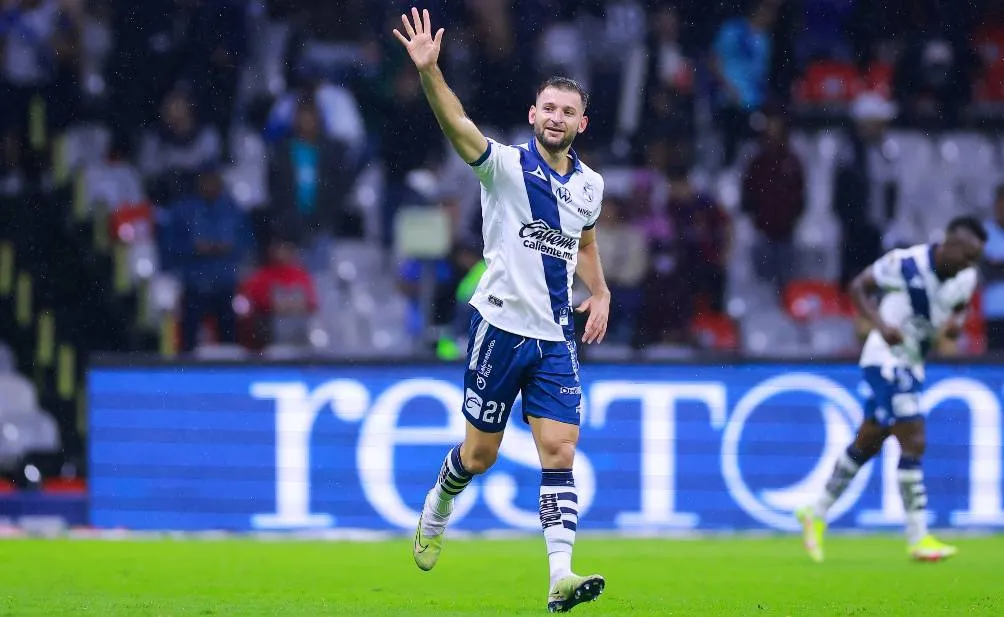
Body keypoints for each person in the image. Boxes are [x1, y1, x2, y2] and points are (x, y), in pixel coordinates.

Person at [393, 8, 611, 613]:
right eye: (549, 108)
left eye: (568, 111)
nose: (557, 117)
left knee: (559, 451)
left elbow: (584, 239)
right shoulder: (507, 167)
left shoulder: (590, 185)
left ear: (581, 123)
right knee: (479, 456)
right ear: (533, 114)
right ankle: (440, 499)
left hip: (555, 338)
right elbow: (458, 125)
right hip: (499, 329)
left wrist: (603, 291)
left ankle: (559, 578)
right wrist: (431, 72)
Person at [795, 216, 988, 563]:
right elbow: (858, 286)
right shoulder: (905, 263)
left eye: (975, 258)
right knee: (914, 438)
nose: (969, 264)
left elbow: (959, 305)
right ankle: (918, 537)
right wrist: (880, 324)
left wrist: (956, 324)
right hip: (884, 359)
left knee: (868, 441)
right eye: (967, 255)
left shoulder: (966, 277)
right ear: (951, 244)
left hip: (912, 363)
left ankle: (815, 510)